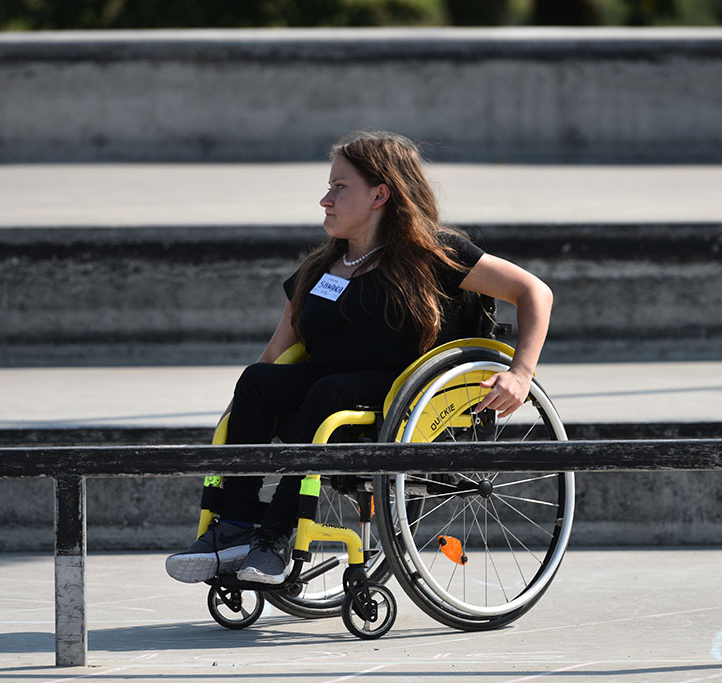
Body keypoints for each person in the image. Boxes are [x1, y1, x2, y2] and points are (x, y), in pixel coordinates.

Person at [165, 131, 553, 586]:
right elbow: (276, 351)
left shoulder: (433, 254)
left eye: (339, 187)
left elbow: (534, 291)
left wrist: (520, 372)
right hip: (325, 388)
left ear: (380, 194)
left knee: (330, 391)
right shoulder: (319, 269)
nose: (325, 200)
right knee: (256, 381)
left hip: (399, 391)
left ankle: (274, 536)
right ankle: (233, 528)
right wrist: (238, 406)